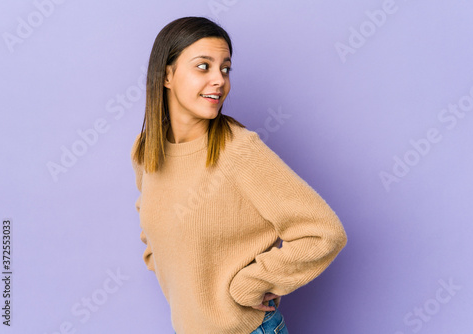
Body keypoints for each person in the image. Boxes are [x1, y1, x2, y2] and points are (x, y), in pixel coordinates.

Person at [131, 16, 347, 334]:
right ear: (167, 75)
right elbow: (152, 224)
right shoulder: (147, 150)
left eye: (225, 68)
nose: (219, 80)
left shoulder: (238, 150)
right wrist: (165, 264)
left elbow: (323, 232)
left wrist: (249, 285)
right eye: (203, 66)